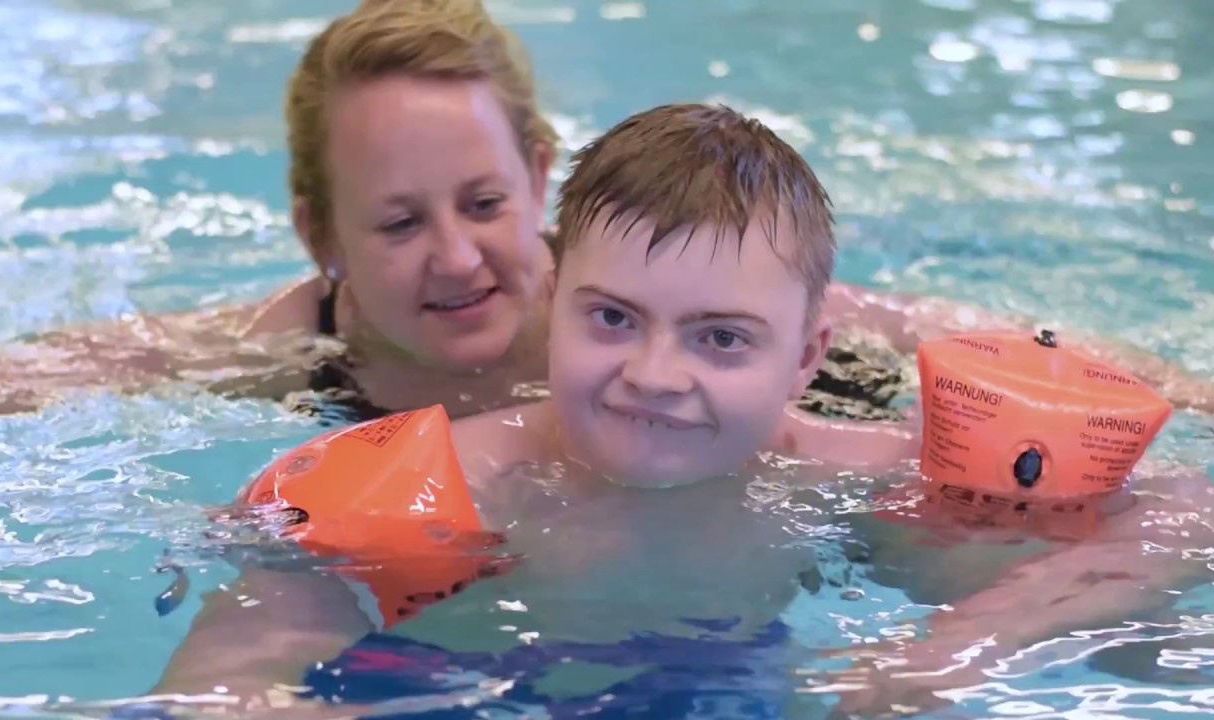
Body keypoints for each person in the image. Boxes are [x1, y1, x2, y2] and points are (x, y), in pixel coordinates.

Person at [149, 103, 1213, 719]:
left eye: (718, 339)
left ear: (804, 361)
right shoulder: (456, 486)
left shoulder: (835, 471)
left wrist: (935, 657)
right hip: (437, 685)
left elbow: (1181, 517)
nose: (654, 376)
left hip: (718, 682)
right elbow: (226, 682)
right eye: (611, 318)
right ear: (552, 307)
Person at [0, 0, 1210, 427]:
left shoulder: (644, 295)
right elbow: (21, 379)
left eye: (486, 201)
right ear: (316, 231)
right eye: (393, 225)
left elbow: (903, 328)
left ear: (542, 171)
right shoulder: (280, 359)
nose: (455, 257)